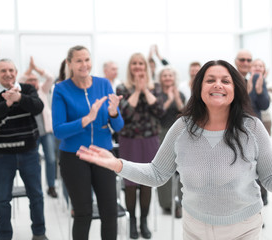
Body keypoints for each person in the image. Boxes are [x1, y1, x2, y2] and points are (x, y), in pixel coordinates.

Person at [77, 59, 272, 240]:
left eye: (225, 80)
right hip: (195, 228)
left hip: (244, 228)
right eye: (210, 80)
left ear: (234, 89)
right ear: (199, 88)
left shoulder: (251, 127)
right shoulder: (182, 128)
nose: (218, 84)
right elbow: (156, 174)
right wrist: (117, 164)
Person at [52, 45, 124, 240]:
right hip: (74, 156)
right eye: (79, 60)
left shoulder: (104, 84)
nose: (84, 64)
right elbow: (58, 130)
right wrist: (87, 119)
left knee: (109, 212)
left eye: (87, 59)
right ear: (70, 64)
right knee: (83, 213)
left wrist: (113, 113)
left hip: (103, 155)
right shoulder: (61, 89)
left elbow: (118, 127)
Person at [0, 59, 48, 240]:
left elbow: (38, 107)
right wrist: (7, 103)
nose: (8, 74)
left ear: (16, 72)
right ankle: (4, 236)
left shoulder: (27, 89)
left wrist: (19, 98)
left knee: (36, 195)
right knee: (1, 199)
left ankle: (39, 233)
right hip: (1, 155)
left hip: (28, 152)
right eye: (3, 71)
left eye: (11, 70)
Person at [115, 52, 164, 239]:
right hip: (129, 141)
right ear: (130, 67)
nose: (138, 67)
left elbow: (159, 110)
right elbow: (125, 113)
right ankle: (132, 222)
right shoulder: (122, 88)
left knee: (146, 183)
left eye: (141, 63)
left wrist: (145, 90)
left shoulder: (155, 87)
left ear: (146, 66)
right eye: (134, 63)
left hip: (150, 140)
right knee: (130, 183)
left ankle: (144, 221)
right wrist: (136, 90)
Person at [235, 51, 270, 206]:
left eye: (249, 60)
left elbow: (264, 105)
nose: (246, 62)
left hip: (254, 129)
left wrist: (259, 89)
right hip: (235, 128)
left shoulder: (256, 80)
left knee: (256, 166)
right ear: (236, 61)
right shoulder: (230, 80)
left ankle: (259, 201)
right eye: (242, 59)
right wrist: (248, 92)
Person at [21, 56, 58, 198]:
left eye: (34, 79)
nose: (32, 82)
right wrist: (29, 70)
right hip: (31, 133)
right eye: (29, 80)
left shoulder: (43, 90)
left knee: (51, 159)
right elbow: (20, 80)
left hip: (47, 132)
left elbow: (50, 77)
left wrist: (36, 69)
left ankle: (51, 186)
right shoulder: (23, 93)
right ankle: (36, 187)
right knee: (34, 161)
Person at [156, 66, 185, 218]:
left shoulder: (180, 93)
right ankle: (166, 204)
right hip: (161, 133)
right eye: (165, 75)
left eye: (170, 75)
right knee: (164, 169)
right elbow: (158, 112)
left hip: (179, 133)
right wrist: (169, 99)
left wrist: (176, 98)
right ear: (160, 78)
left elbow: (184, 112)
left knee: (180, 169)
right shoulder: (157, 94)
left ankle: (180, 202)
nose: (167, 78)